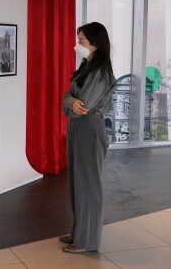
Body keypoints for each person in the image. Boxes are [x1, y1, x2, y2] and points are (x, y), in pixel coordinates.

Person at [61, 22, 116, 254]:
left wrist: (69, 102)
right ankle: (79, 233)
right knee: (77, 183)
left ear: (94, 45)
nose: (77, 45)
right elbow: (69, 98)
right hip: (78, 127)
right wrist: (69, 100)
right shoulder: (87, 67)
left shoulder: (101, 71)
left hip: (89, 127)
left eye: (81, 40)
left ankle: (87, 241)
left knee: (88, 186)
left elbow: (81, 106)